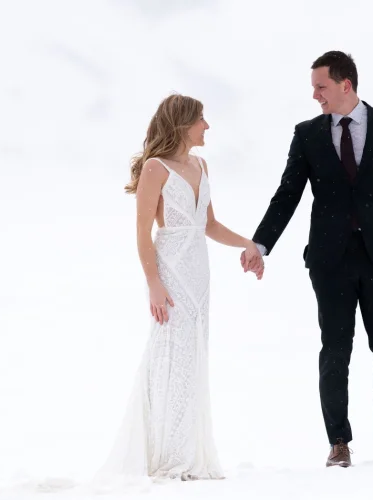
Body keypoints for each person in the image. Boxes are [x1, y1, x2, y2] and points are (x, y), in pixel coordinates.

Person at [242, 51, 373, 466]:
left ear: (346, 85)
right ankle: (338, 442)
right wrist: (261, 244)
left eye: (320, 87)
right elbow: (287, 194)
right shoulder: (307, 134)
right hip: (330, 262)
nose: (315, 96)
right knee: (335, 350)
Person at [99, 93, 263, 482]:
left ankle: (188, 449)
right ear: (183, 123)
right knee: (169, 355)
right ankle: (167, 453)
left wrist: (249, 244)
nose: (207, 126)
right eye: (201, 119)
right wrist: (153, 284)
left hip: (199, 275)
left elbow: (209, 226)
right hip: (169, 273)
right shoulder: (155, 169)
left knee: (194, 356)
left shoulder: (202, 165)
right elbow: (142, 233)